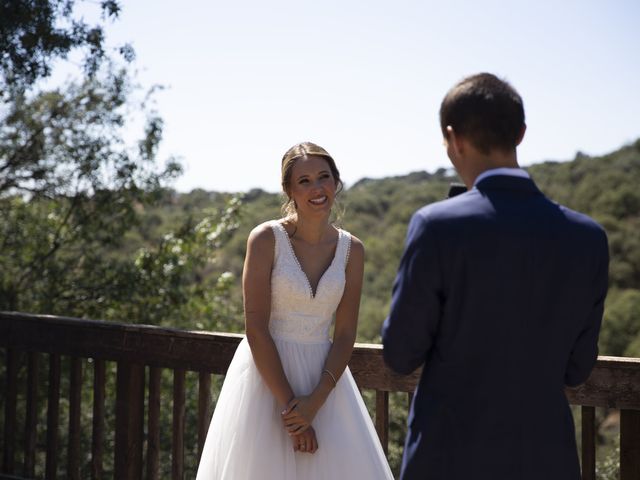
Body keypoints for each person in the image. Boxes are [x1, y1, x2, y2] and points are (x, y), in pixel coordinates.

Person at [382, 73, 609, 480]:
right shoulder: (588, 238)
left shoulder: (436, 225)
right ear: (520, 134)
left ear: (453, 139)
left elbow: (399, 354)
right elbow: (577, 369)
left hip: (448, 458)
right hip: (546, 460)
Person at [196, 142, 393, 479]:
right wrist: (292, 412)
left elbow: (345, 335)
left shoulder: (352, 250)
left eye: (323, 177)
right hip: (266, 383)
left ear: (336, 182)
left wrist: (315, 402)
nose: (317, 189)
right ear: (288, 189)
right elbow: (256, 329)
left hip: (326, 384)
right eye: (304, 181)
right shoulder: (265, 239)